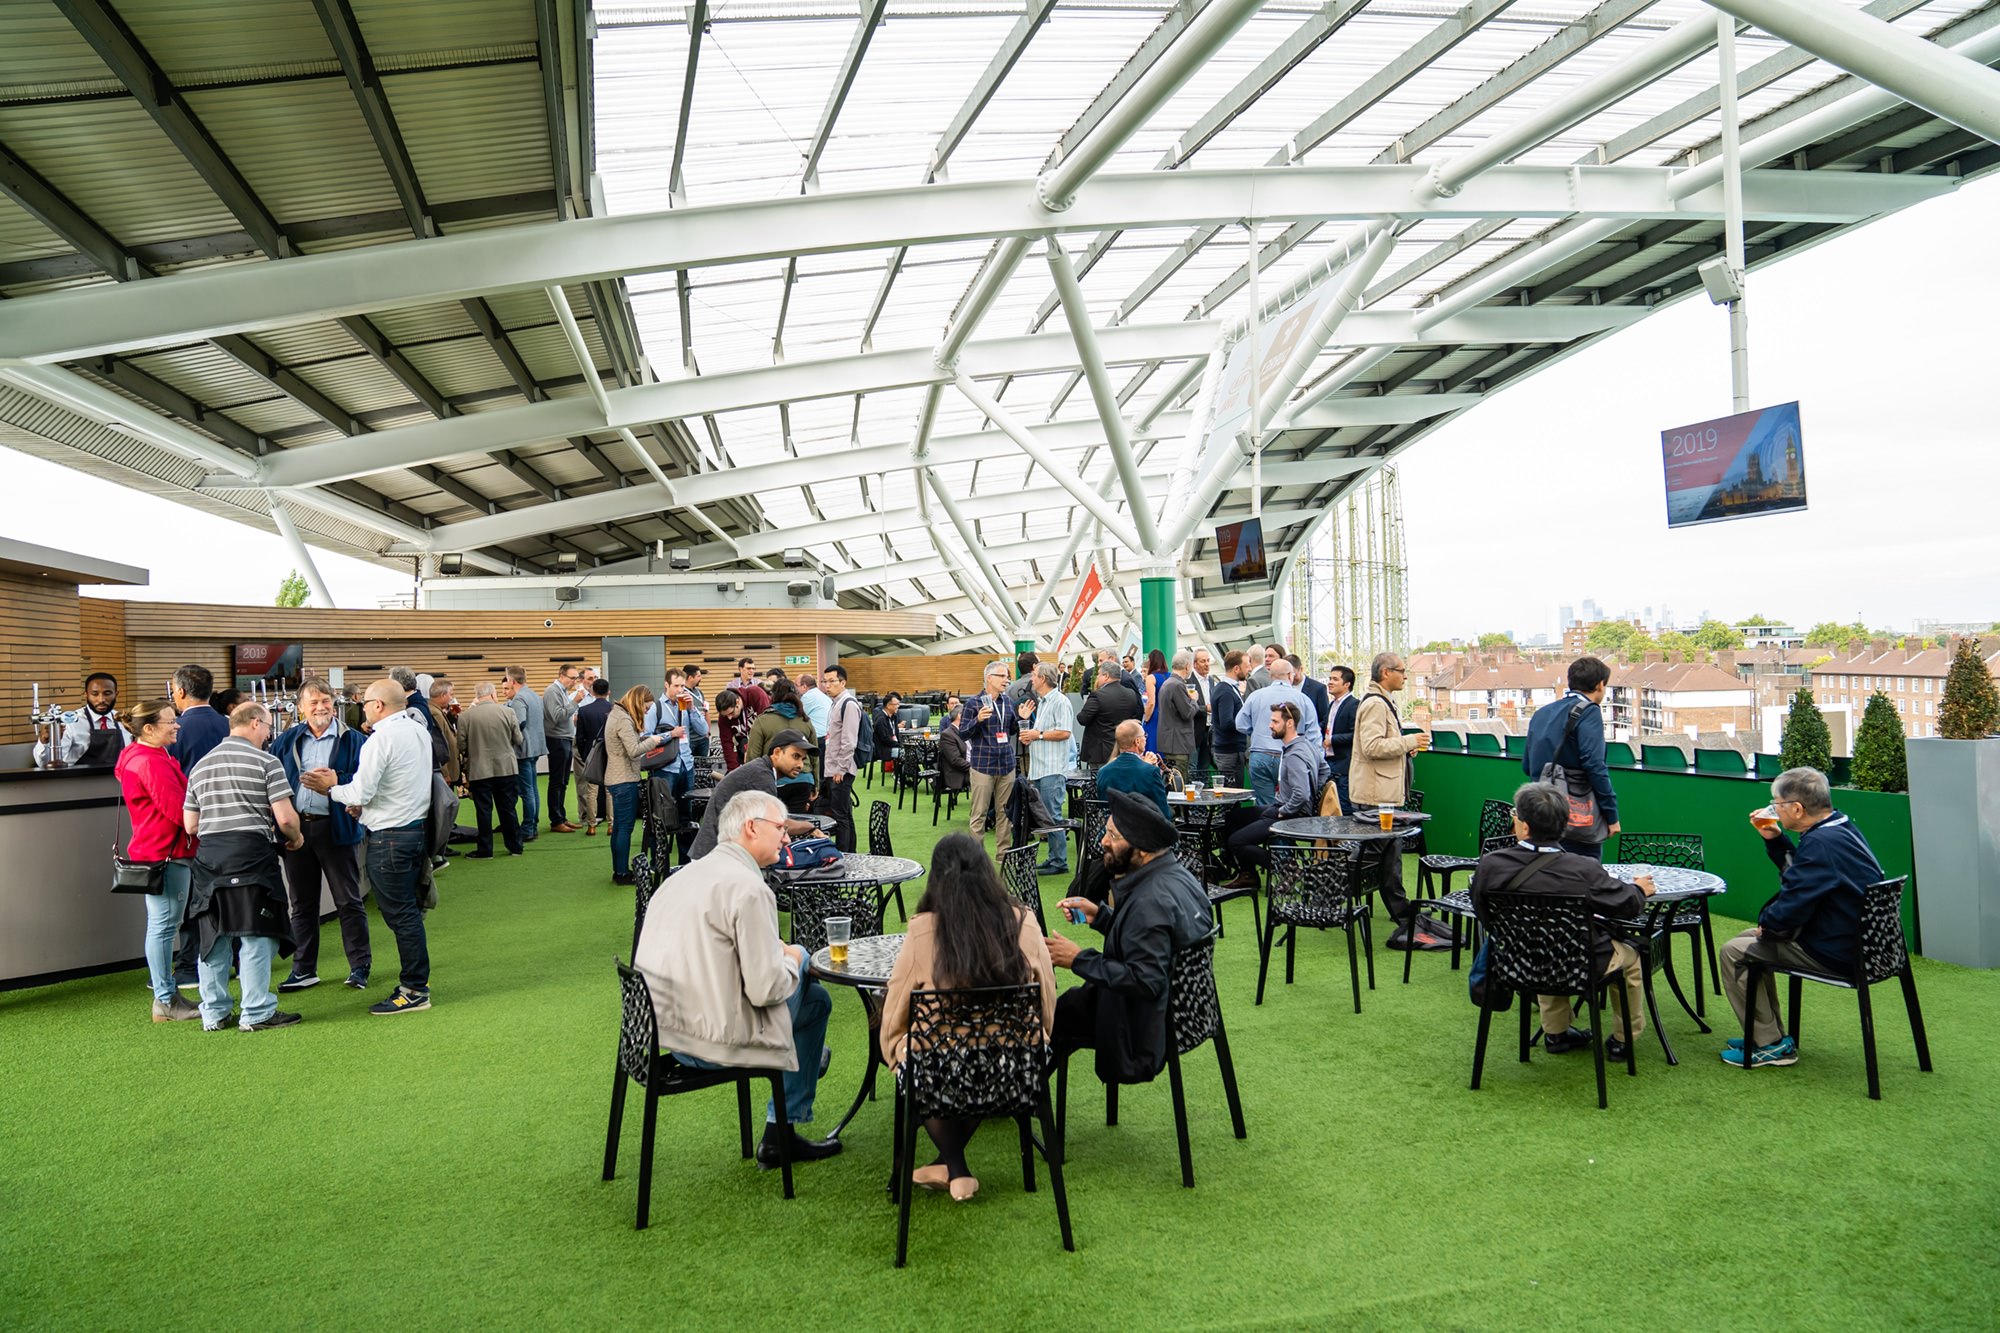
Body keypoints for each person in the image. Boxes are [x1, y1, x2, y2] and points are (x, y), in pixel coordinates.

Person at [636, 790, 841, 1168]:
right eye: (780, 828)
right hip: (713, 1042)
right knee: (810, 986)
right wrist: (796, 956)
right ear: (750, 828)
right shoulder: (749, 889)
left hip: (661, 1033)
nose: (786, 836)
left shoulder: (683, 875)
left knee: (814, 1000)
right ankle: (783, 1126)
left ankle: (785, 1119)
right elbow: (766, 990)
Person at [880, 832, 1058, 1201]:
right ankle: (954, 1168)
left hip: (939, 1071)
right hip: (1016, 1067)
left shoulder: (923, 930)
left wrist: (893, 1051)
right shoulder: (1025, 923)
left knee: (920, 1055)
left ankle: (955, 1167)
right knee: (974, 1048)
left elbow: (895, 1013)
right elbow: (1046, 1000)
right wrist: (1036, 1041)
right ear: (987, 872)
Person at [1469, 782, 1654, 1060]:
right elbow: (1628, 905)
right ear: (1564, 826)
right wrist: (1640, 889)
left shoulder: (1491, 865)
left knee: (1543, 941)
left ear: (1526, 827)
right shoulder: (1583, 869)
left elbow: (1484, 914)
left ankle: (1555, 1033)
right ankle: (1622, 1040)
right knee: (1631, 958)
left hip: (1516, 963)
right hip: (1579, 963)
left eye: (1515, 815)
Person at [1718, 766, 1885, 1069]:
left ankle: (1770, 1045)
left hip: (1838, 951)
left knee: (1734, 953)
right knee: (1747, 940)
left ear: (1796, 808)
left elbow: (1793, 904)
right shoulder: (1839, 828)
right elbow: (1802, 877)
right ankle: (1764, 1034)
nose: (1773, 809)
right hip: (1868, 946)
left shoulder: (1820, 844)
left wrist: (1767, 926)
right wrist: (1775, 839)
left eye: (1777, 804)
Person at [1045, 791, 1212, 1085]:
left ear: (1143, 851)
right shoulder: (1177, 876)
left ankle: (1016, 1092)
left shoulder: (1150, 901)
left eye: (1114, 836)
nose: (1103, 842)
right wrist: (1101, 916)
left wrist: (1077, 959)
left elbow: (1144, 980)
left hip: (1146, 1026)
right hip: (1188, 1009)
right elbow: (1153, 942)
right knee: (1072, 1005)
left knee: (1057, 1014)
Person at [305, 678, 442, 1015]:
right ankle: (414, 985)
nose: (361, 708)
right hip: (411, 831)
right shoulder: (416, 731)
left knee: (402, 916)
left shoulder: (380, 740)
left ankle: (414, 989)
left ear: (378, 705)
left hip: (390, 839)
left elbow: (358, 793)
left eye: (365, 703)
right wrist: (363, 805)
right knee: (407, 913)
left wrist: (332, 787)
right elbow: (397, 786)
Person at [182, 702, 304, 1032]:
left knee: (214, 936)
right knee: (257, 934)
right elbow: (286, 817)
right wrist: (295, 838)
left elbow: (190, 825)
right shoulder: (267, 762)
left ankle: (215, 1013)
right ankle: (257, 1011)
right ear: (253, 723)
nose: (269, 733)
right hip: (252, 854)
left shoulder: (200, 766)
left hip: (210, 860)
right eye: (266, 726)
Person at [270, 679, 371, 992]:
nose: (320, 707)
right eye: (313, 702)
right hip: (296, 831)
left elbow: (368, 781)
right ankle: (303, 970)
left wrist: (337, 779)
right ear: (300, 707)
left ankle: (359, 967)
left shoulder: (355, 740)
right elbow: (272, 783)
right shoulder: (286, 741)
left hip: (337, 828)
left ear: (335, 702)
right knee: (301, 904)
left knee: (348, 901)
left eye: (325, 700)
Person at [112, 698, 201, 1023]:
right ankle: (164, 999)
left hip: (160, 851)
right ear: (148, 729)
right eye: (169, 721)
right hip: (165, 854)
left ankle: (167, 996)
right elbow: (179, 810)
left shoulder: (144, 755)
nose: (176, 724)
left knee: (163, 925)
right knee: (164, 927)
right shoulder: (149, 761)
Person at [1349, 652, 1431, 935]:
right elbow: (1371, 746)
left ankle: (1397, 909)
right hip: (1376, 796)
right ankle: (1402, 914)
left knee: (1383, 858)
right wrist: (1407, 740)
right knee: (1386, 859)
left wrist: (1403, 748)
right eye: (1401, 670)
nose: (1405, 675)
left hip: (1379, 793)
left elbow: (1380, 745)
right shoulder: (1375, 704)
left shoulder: (1380, 701)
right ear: (1385, 672)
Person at [1522, 656, 1620, 858]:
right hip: (1576, 818)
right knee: (1583, 879)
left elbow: (1527, 765)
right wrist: (1611, 815)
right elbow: (1594, 765)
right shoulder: (1589, 712)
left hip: (1539, 814)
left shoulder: (1542, 713)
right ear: (1600, 685)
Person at [1221, 702, 1321, 884]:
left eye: (1275, 721)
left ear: (1289, 723)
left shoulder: (1295, 755)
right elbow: (1325, 771)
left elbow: (1302, 794)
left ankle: (1287, 868)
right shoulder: (1307, 746)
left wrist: (1283, 811)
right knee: (1234, 817)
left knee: (1236, 842)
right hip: (1286, 808)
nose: (1270, 725)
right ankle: (1248, 874)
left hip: (1290, 813)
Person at [686, 729, 819, 860]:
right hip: (714, 858)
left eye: (802, 759)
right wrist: (810, 827)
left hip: (721, 853)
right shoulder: (761, 776)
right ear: (777, 752)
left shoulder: (761, 769)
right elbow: (776, 825)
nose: (800, 765)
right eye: (795, 756)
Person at [603, 684, 666, 885]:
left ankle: (619, 870)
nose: (646, 711)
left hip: (617, 778)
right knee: (625, 829)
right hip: (623, 779)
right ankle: (622, 873)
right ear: (639, 702)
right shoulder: (622, 718)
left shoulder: (617, 713)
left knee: (620, 827)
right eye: (646, 708)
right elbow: (633, 750)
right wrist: (654, 740)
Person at [1236, 656, 1321, 806]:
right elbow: (1313, 735)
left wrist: (1256, 731)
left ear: (1270, 675)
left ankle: (1265, 828)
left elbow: (1240, 724)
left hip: (1260, 755)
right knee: (1292, 802)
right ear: (1290, 675)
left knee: (1264, 805)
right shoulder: (1303, 699)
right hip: (1292, 757)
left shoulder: (1255, 696)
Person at [642, 669, 705, 864]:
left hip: (686, 766)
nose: (680, 690)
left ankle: (686, 862)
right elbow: (645, 738)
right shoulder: (656, 708)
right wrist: (671, 735)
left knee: (686, 816)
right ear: (666, 685)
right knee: (660, 816)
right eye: (676, 686)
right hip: (664, 768)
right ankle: (657, 862)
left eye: (682, 686)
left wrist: (692, 709)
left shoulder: (685, 706)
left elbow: (703, 730)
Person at [1019, 663, 1077, 877]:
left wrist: (1038, 735)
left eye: (1034, 676)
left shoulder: (1059, 701)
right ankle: (1054, 858)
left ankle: (1059, 861)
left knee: (1052, 815)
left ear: (1043, 678)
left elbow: (1064, 732)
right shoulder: (1044, 702)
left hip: (1052, 768)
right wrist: (1032, 734)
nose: (1031, 679)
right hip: (1041, 767)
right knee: (1047, 816)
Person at [955, 660, 1017, 852]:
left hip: (1006, 764)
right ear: (989, 678)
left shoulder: (1007, 701)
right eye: (1003, 676)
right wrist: (977, 720)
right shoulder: (974, 703)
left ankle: (1003, 854)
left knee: (1005, 813)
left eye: (1007, 676)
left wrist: (1021, 717)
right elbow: (963, 733)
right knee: (979, 814)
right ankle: (977, 859)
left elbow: (1011, 730)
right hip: (983, 766)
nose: (1006, 680)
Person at [460, 682, 525, 858]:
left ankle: (485, 849)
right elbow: (518, 739)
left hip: (480, 770)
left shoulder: (465, 716)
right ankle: (515, 846)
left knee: (483, 810)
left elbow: (461, 745)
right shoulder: (508, 712)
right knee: (508, 808)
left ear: (477, 695)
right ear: (493, 694)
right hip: (506, 768)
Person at [746, 676, 818, 813]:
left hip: (774, 781)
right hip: (804, 780)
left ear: (773, 696)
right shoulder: (805, 720)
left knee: (773, 824)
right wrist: (816, 785)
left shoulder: (762, 720)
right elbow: (815, 756)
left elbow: (753, 757)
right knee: (798, 824)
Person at [35, 671, 129, 767]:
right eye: (95, 694)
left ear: (116, 694)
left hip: (117, 779)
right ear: (86, 694)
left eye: (107, 693)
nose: (101, 700)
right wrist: (44, 743)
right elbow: (44, 764)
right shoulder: (71, 722)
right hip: (79, 780)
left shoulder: (124, 721)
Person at [817, 665, 863, 852]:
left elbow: (849, 740)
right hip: (834, 767)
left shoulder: (848, 704)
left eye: (831, 681)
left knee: (840, 816)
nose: (827, 685)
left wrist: (841, 769)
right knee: (844, 814)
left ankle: (844, 855)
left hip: (841, 770)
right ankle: (849, 852)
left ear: (843, 682)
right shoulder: (836, 702)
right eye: (824, 681)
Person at [502, 666, 548, 840]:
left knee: (526, 791)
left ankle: (528, 828)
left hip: (524, 749)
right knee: (533, 788)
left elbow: (518, 724)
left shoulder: (519, 698)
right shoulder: (534, 695)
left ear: (512, 681)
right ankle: (532, 825)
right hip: (536, 747)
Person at [1094, 720, 1170, 821]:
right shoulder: (1150, 771)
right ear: (1137, 741)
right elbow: (1163, 812)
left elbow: (1103, 806)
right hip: (1141, 831)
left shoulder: (1103, 771)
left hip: (1112, 829)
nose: (1146, 739)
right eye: (1144, 736)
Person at [542, 663, 587, 833]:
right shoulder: (553, 691)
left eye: (576, 678)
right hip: (557, 739)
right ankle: (556, 821)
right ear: (561, 676)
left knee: (563, 781)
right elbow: (557, 716)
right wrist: (575, 703)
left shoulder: (561, 691)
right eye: (572, 678)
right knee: (557, 781)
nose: (575, 682)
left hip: (564, 738)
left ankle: (561, 817)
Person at [1076, 662, 1142, 771]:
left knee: (1101, 783)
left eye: (1099, 674)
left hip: (1100, 751)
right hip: (1123, 747)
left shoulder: (1098, 695)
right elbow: (1135, 714)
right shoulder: (1131, 694)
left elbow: (1082, 718)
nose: (1097, 677)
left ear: (1106, 676)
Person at [168, 663, 229, 776]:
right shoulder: (232, 725)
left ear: (181, 692)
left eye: (173, 691)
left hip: (189, 791)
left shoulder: (173, 729)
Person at [573, 676, 614, 834]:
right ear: (608, 692)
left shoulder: (584, 710)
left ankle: (591, 825)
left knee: (591, 790)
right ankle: (611, 825)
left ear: (592, 691)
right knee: (610, 790)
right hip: (610, 753)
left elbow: (580, 737)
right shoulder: (614, 709)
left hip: (592, 753)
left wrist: (585, 756)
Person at [1155, 651, 1205, 779]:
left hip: (1169, 742)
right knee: (1179, 782)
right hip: (1178, 743)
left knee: (1172, 780)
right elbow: (1187, 713)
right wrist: (1193, 699)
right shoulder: (1177, 685)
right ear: (1188, 666)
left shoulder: (1168, 683)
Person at [717, 664, 771, 772]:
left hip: (765, 746)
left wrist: (755, 754)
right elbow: (726, 743)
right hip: (743, 746)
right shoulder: (724, 715)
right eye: (725, 715)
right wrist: (733, 770)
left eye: (731, 713)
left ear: (737, 702)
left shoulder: (755, 694)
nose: (729, 717)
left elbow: (768, 727)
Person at [1209, 649, 1249, 788]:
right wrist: (1248, 725)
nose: (1249, 668)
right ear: (1236, 668)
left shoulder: (1229, 688)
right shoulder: (1226, 691)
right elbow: (1227, 722)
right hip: (1229, 752)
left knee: (1232, 796)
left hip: (1230, 750)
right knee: (1231, 796)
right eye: (1246, 665)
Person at [1324, 665, 1358, 813]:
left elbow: (1356, 734)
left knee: (1344, 806)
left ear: (1347, 684)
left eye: (1335, 679)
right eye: (1330, 678)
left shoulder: (1353, 705)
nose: (1330, 682)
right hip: (1330, 761)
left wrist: (1332, 739)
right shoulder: (1332, 704)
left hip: (1344, 765)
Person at [428, 677, 464, 790]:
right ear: (443, 695)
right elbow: (438, 744)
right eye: (450, 694)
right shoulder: (435, 713)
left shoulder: (436, 710)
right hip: (445, 771)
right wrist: (444, 772)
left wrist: (450, 716)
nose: (451, 698)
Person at [1189, 648, 1218, 780]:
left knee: (1204, 769)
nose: (1207, 664)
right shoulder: (1189, 681)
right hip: (1194, 730)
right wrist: (1205, 708)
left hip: (1209, 731)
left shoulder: (1211, 681)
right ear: (1195, 664)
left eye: (1208, 661)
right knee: (1193, 767)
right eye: (1203, 661)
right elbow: (1187, 707)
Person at [1291, 654, 1332, 736]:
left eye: (1294, 674)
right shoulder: (1285, 688)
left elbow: (1325, 716)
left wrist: (1314, 730)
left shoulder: (1318, 688)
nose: (1291, 677)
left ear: (1301, 669)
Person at [1140, 648, 1169, 755]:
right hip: (1169, 717)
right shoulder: (1171, 676)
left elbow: (1151, 702)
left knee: (1152, 749)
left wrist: (1146, 720)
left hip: (1155, 717)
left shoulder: (1151, 678)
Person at [681, 665, 710, 765]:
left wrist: (708, 732)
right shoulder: (682, 694)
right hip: (690, 740)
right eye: (698, 676)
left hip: (703, 739)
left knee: (703, 768)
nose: (700, 678)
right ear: (690, 678)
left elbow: (706, 712)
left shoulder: (699, 692)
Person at [799, 671, 832, 740]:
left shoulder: (807, 697)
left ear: (804, 686)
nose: (797, 689)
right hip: (827, 734)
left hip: (818, 736)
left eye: (798, 686)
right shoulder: (822, 695)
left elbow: (799, 716)